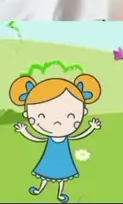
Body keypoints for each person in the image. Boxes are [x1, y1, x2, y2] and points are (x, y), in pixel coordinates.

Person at [9, 73, 102, 202]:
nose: (57, 122)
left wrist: (92, 127)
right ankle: (40, 189)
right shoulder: (49, 138)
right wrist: (24, 131)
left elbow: (78, 135)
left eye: (70, 116)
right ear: (27, 114)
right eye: (42, 116)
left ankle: (60, 194)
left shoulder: (65, 137)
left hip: (64, 161)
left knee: (62, 179)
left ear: (83, 112)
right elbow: (36, 138)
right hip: (48, 160)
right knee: (44, 176)